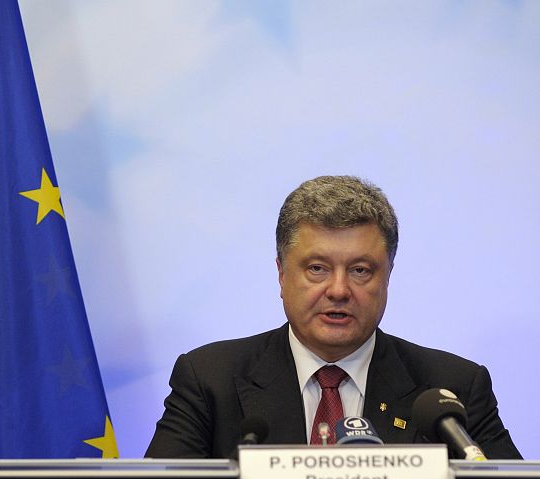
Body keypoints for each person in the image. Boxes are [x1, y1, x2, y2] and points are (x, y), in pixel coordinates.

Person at [146, 175, 521, 459]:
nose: (339, 290)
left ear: (388, 276)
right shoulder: (209, 380)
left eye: (360, 270)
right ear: (281, 274)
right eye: (317, 268)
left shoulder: (451, 389)